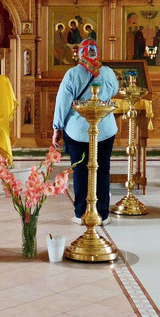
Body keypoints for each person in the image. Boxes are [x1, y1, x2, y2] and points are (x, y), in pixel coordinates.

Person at [51, 39, 119, 224]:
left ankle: (81, 213)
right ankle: (102, 214)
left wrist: (57, 128)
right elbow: (114, 91)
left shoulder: (72, 74)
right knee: (103, 169)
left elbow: (62, 103)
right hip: (105, 129)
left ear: (81, 53)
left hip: (78, 130)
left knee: (80, 170)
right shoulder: (108, 72)